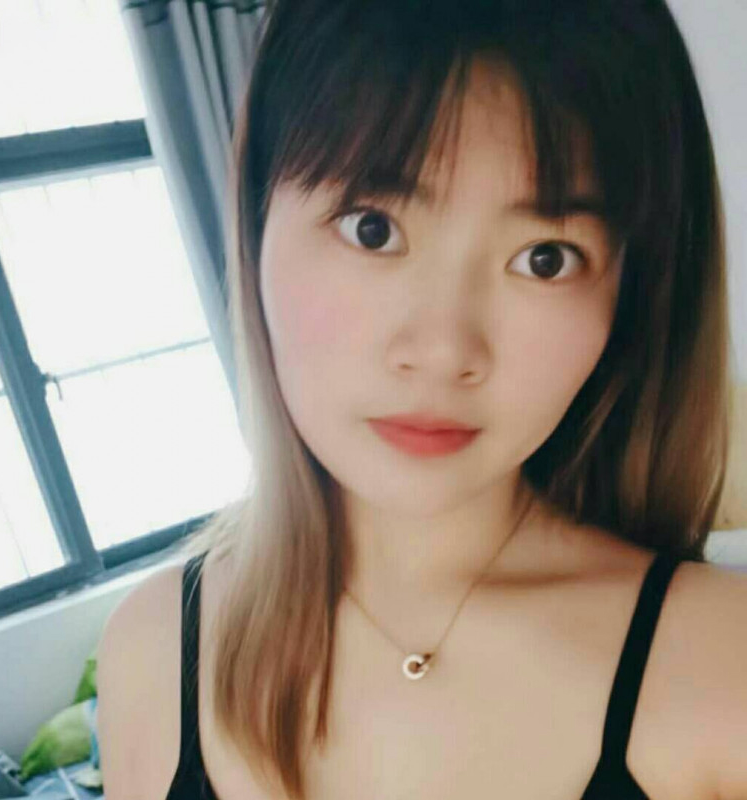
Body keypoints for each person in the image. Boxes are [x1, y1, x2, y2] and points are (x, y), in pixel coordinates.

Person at [95, 1, 747, 799]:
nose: (443, 351)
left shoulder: (724, 666)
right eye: (371, 229)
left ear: (629, 296)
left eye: (545, 258)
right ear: (256, 223)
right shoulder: (153, 653)